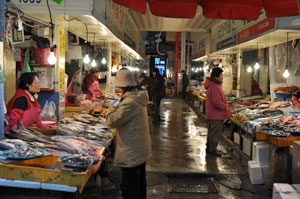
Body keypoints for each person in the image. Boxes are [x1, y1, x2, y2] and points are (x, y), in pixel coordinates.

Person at [106, 68, 152, 199]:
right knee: (139, 184)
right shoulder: (137, 96)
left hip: (131, 151)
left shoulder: (130, 102)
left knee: (130, 188)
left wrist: (110, 108)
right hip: (139, 149)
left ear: (124, 86)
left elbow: (111, 121)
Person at [204, 67, 232, 156]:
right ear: (217, 76)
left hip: (213, 114)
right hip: (216, 115)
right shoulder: (214, 86)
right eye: (221, 75)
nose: (222, 77)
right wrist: (225, 107)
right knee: (215, 134)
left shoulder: (213, 85)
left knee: (212, 132)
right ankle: (212, 150)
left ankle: (209, 148)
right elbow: (216, 101)